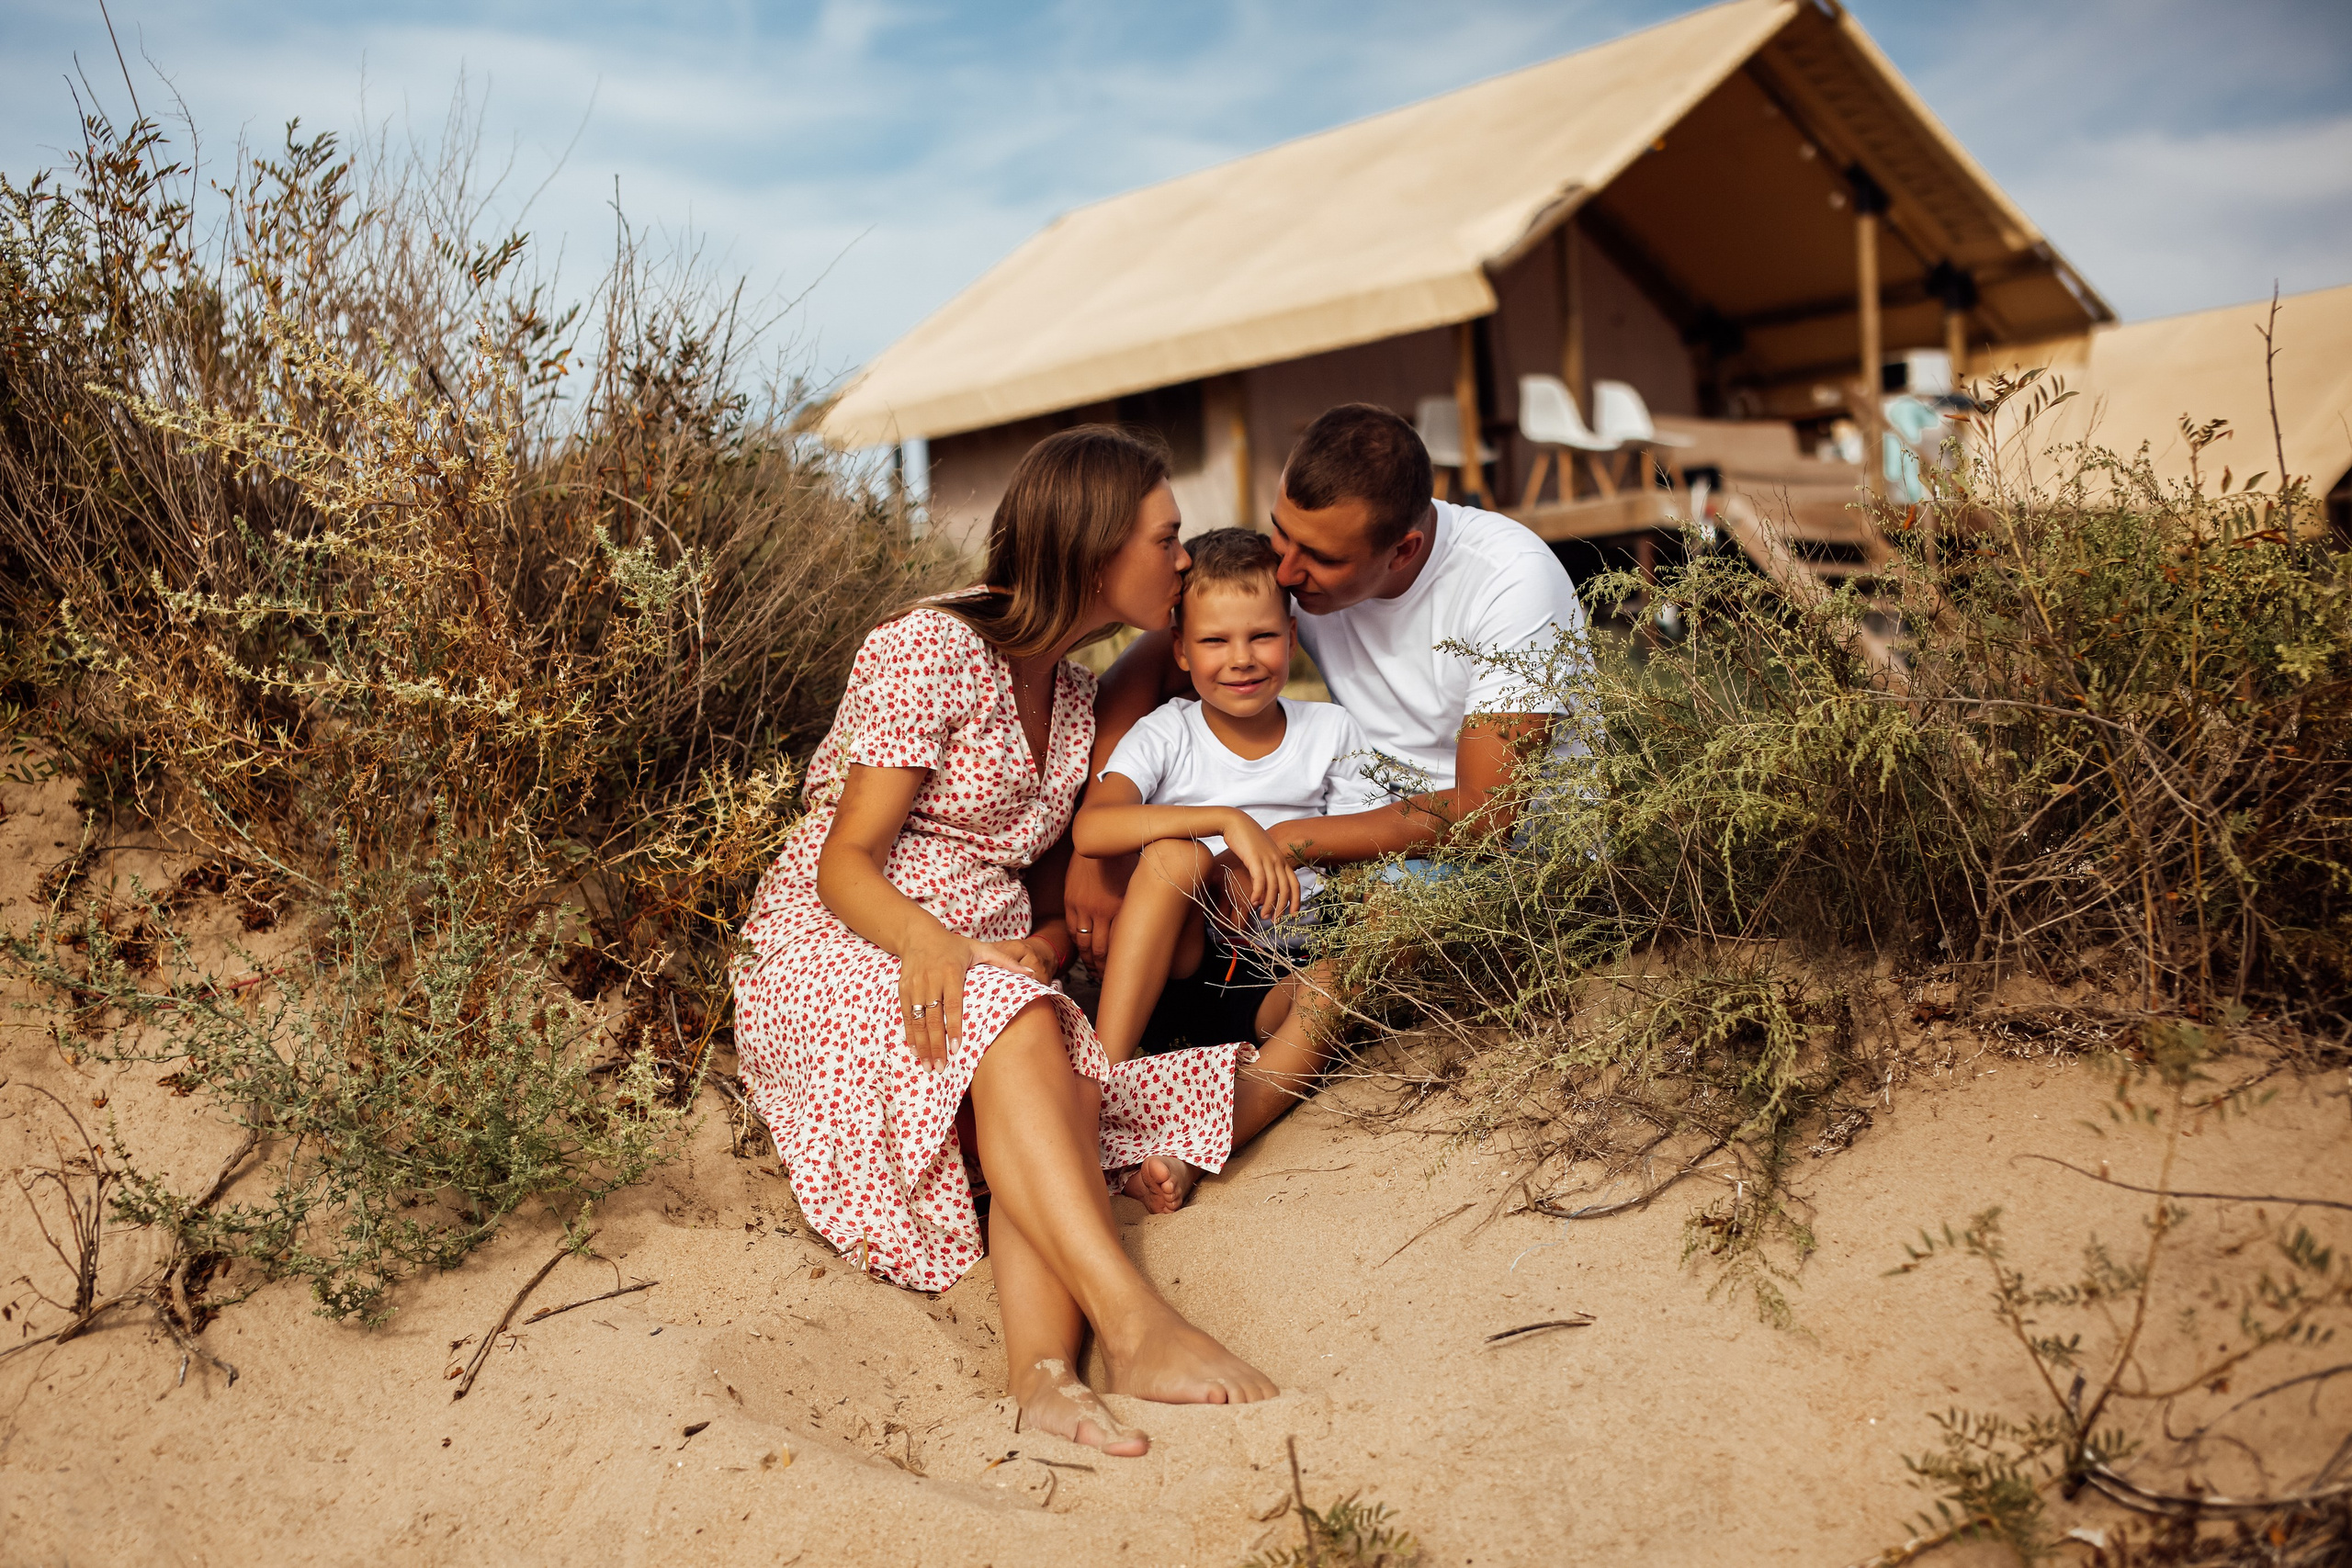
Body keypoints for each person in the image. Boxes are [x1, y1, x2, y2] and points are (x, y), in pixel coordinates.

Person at [731, 425, 1277, 1460]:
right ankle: (1136, 1325)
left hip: (980, 958)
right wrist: (935, 945)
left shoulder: (1073, 695)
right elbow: (844, 862)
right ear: (1095, 548)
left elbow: (1033, 877)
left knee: (1063, 1079)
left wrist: (1033, 939)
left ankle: (1040, 1376)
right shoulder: (926, 646)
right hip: (840, 940)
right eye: (1167, 539)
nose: (1185, 560)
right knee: (1022, 1031)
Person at [1069, 399, 1589, 974]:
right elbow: (1151, 667)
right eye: (1280, 532)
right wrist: (1094, 855)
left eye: (1318, 557)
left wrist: (1288, 838)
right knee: (1204, 888)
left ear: (1403, 551)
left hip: (1514, 856)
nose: (1287, 572)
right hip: (1359, 822)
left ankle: (1267, 1053)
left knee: (1377, 913)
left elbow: (1486, 812)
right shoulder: (1303, 568)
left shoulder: (1510, 582)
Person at [1071, 528, 1383, 1212]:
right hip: (1181, 965)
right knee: (1174, 856)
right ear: (1180, 649)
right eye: (1214, 641)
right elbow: (1094, 827)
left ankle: (1197, 1143)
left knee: (1342, 974)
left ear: (1292, 636)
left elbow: (1365, 857)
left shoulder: (1330, 731)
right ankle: (1099, 1086)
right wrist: (1223, 827)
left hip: (1279, 969)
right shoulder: (1170, 731)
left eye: (1261, 637)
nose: (1240, 660)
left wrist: (1284, 851)